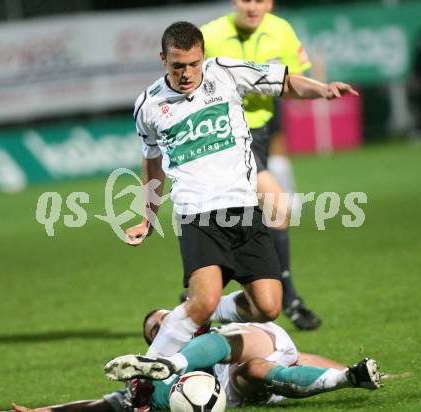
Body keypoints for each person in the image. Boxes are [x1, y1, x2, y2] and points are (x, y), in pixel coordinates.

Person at [125, 21, 358, 359]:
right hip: (197, 214)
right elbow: (152, 161)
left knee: (267, 306)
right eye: (178, 66)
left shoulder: (225, 73)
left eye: (194, 64)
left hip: (244, 208)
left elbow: (284, 82)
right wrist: (147, 217)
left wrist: (321, 90)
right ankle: (144, 378)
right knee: (201, 302)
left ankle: (208, 311)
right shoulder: (148, 105)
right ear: (163, 59)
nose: (187, 73)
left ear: (203, 56)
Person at [198, 0, 321, 330]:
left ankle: (202, 301)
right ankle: (286, 299)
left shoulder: (280, 30)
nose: (253, 6)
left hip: (260, 133)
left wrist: (319, 91)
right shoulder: (210, 35)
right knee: (272, 207)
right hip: (224, 135)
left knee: (249, 215)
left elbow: (292, 84)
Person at [10, 312, 382, 412]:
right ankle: (347, 380)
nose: (162, 323)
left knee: (232, 343)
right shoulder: (149, 379)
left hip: (252, 338)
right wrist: (47, 411)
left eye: (163, 317)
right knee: (251, 370)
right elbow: (108, 404)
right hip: (248, 380)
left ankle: (349, 376)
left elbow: (303, 355)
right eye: (155, 328)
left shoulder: (210, 316)